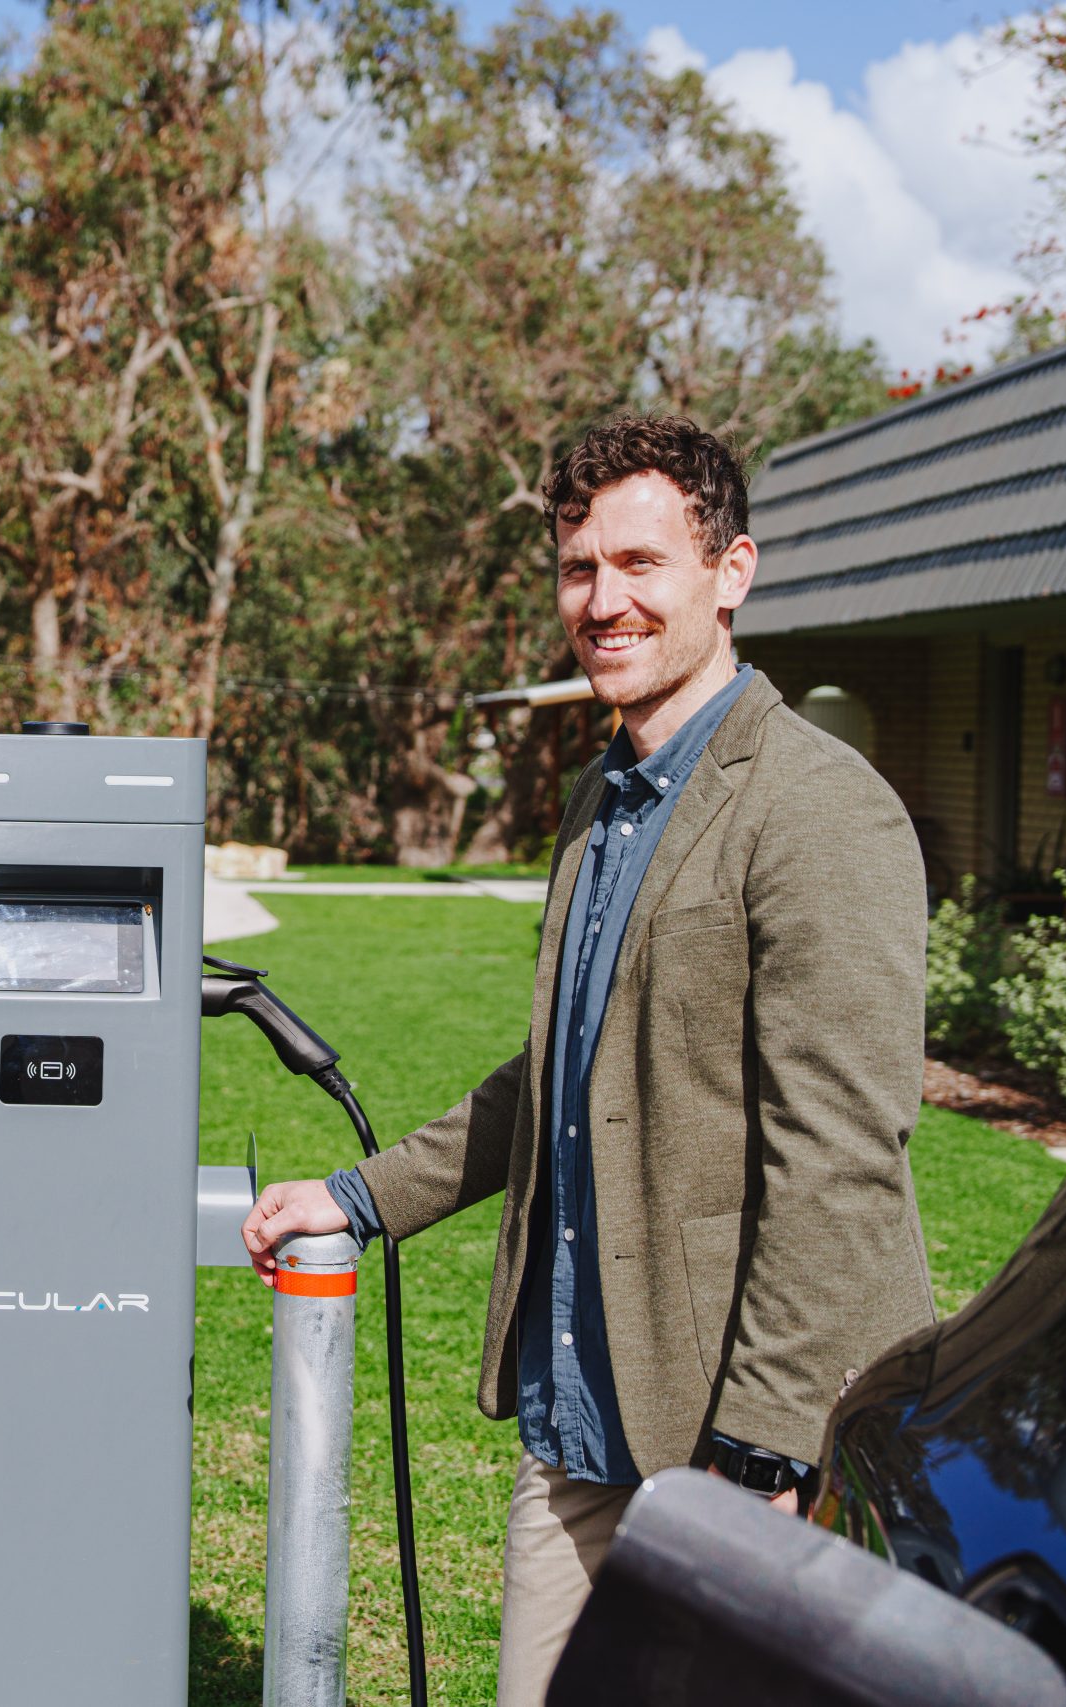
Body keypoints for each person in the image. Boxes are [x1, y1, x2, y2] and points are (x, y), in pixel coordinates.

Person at [241, 414, 935, 1702]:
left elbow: (840, 1161)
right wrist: (359, 1198)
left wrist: (763, 1452)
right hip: (583, 1424)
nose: (603, 600)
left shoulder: (821, 808)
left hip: (745, 1443)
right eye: (579, 567)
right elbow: (564, 1073)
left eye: (640, 562)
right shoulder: (604, 801)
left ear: (731, 572)